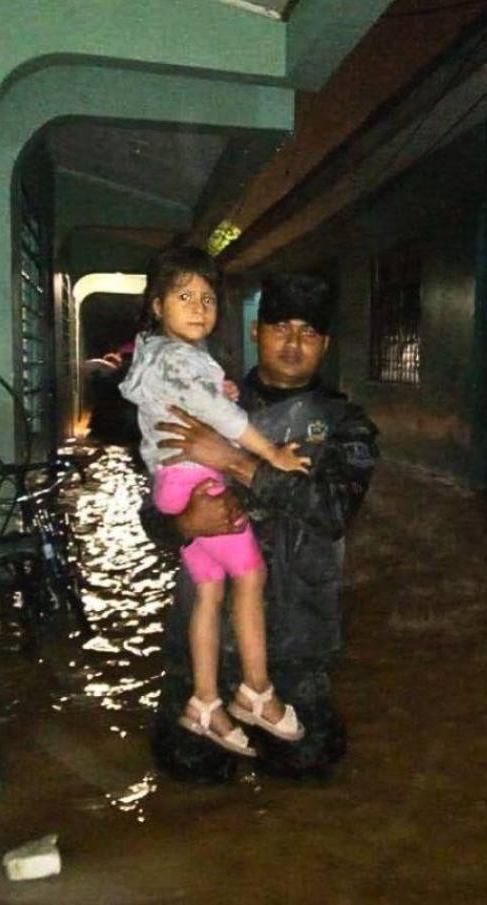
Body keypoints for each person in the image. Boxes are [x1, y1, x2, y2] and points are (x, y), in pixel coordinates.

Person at [142, 270, 379, 778]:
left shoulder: (346, 424)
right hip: (206, 641)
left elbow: (334, 513)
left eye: (309, 332)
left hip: (297, 643)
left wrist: (237, 463)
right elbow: (151, 515)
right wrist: (185, 521)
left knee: (306, 770)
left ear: (325, 343)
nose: (293, 342)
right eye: (280, 327)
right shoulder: (201, 395)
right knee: (188, 773)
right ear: (256, 331)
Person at [119, 247, 310, 759]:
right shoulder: (179, 358)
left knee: (209, 591)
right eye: (185, 297)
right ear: (157, 305)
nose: (200, 307)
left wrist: (217, 391)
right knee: (249, 576)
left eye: (208, 299)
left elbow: (200, 401)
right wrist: (268, 455)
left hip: (175, 481)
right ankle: (256, 691)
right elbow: (220, 421)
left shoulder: (164, 357)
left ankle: (204, 702)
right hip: (195, 484)